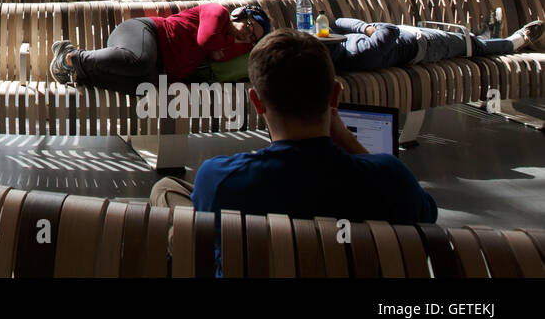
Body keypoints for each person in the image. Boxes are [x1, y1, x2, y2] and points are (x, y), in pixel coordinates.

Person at [150, 30, 437, 237]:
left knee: (167, 190)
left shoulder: (219, 178)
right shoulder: (390, 178)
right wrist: (349, 142)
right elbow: (427, 215)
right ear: (335, 96)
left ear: (256, 101)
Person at [50, 3, 269, 92]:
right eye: (249, 25)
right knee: (140, 61)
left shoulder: (230, 45)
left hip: (156, 67)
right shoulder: (218, 12)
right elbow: (205, 39)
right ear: (240, 13)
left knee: (146, 87)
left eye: (252, 37)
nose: (245, 34)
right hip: (146, 33)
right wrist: (230, 42)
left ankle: (79, 75)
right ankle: (70, 56)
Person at [324, 16, 543, 70]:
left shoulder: (339, 48)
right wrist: (367, 28)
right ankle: (516, 41)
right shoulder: (359, 52)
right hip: (425, 45)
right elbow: (387, 31)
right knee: (474, 48)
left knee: (467, 41)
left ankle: (482, 36)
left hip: (413, 35)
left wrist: (366, 29)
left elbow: (337, 21)